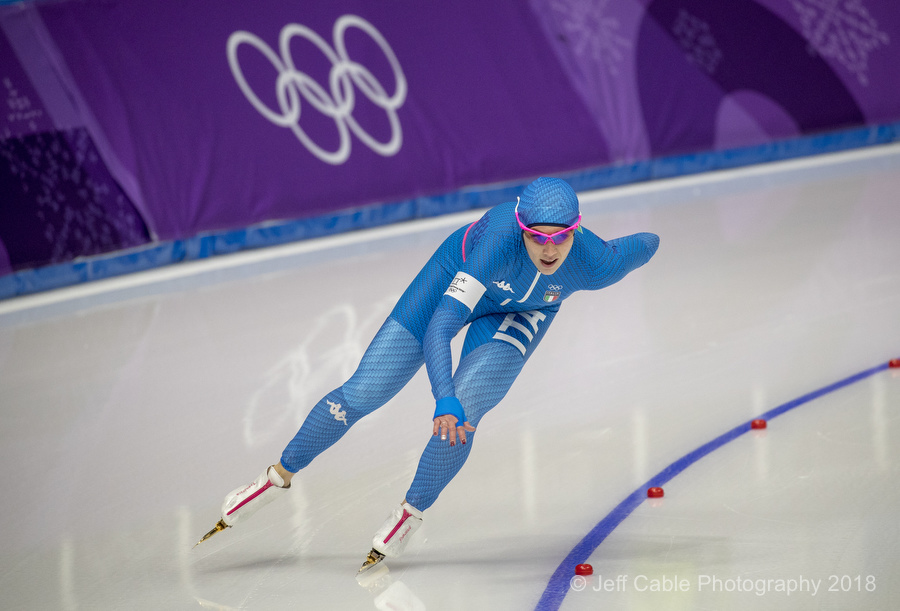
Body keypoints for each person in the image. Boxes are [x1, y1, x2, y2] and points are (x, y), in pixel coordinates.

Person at [196, 177, 659, 572]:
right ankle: (276, 477)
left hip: (520, 313)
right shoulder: (496, 244)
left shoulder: (596, 263)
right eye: (537, 237)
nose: (550, 248)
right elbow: (440, 326)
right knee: (364, 391)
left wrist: (456, 404)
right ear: (521, 230)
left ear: (577, 231)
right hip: (451, 282)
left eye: (561, 237)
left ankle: (409, 513)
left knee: (468, 409)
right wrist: (442, 396)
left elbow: (646, 244)